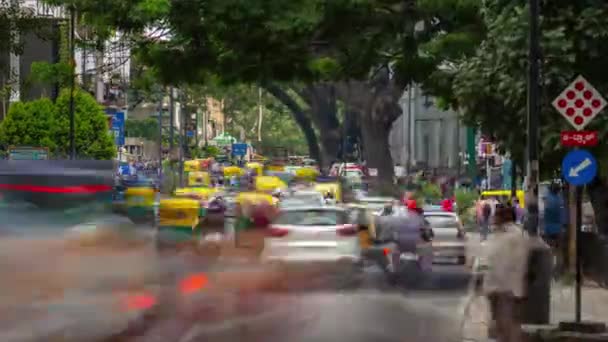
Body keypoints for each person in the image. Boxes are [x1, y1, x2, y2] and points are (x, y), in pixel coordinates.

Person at [483, 205, 531, 342]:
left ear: (505, 217)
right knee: (498, 325)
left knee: (508, 325)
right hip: (494, 287)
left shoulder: (516, 235)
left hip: (508, 288)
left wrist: (517, 289)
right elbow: (490, 258)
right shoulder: (496, 234)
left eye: (497, 215)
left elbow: (520, 263)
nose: (493, 218)